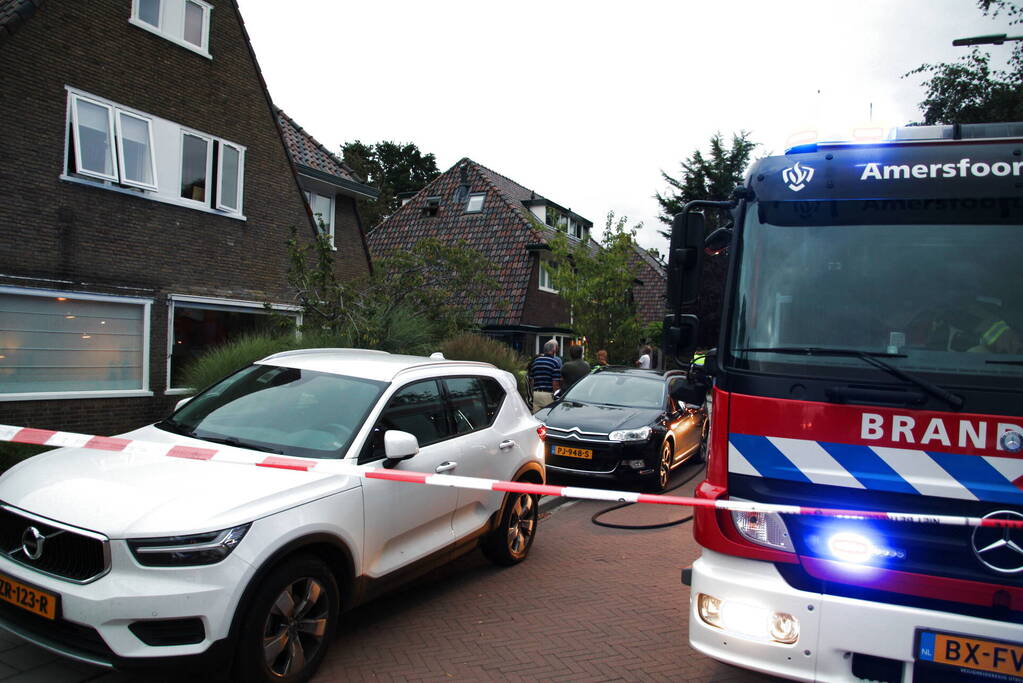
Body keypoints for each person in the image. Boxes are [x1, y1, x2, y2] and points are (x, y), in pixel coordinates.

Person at [528, 339, 562, 412]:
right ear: (553, 350)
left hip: (536, 394)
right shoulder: (554, 362)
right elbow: (555, 383)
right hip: (548, 395)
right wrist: (557, 396)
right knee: (547, 417)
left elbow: (531, 381)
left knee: (537, 418)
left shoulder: (536, 361)